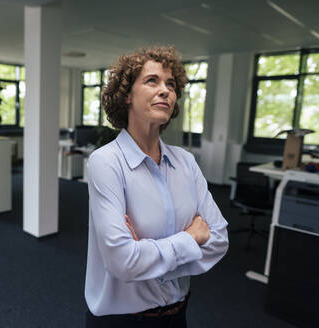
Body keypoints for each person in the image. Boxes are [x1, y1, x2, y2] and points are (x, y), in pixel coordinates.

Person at [85, 46, 229, 328]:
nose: (165, 90)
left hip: (177, 316)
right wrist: (191, 238)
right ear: (126, 95)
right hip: (121, 321)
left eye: (171, 84)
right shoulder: (106, 162)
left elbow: (220, 240)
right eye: (152, 81)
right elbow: (122, 261)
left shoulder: (186, 162)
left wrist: (148, 255)